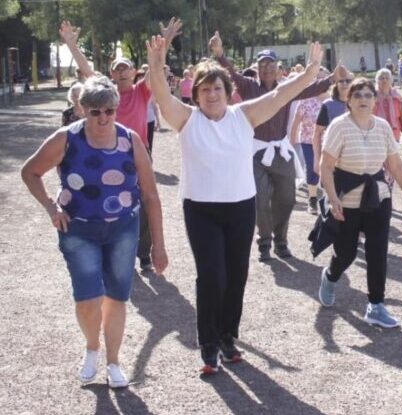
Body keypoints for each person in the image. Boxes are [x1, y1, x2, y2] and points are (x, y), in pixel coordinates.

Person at [146, 34, 325, 373]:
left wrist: (310, 72)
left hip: (241, 208)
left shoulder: (243, 116)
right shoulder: (187, 119)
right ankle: (209, 344)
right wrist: (156, 64)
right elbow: (162, 96)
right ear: (196, 94)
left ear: (228, 92)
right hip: (201, 210)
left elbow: (280, 95)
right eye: (204, 90)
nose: (211, 95)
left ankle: (228, 337)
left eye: (217, 88)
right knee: (211, 276)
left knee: (236, 276)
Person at [21, 75, 168, 388]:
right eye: (95, 112)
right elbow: (30, 172)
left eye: (109, 111)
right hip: (78, 230)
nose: (103, 118)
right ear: (82, 109)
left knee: (116, 297)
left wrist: (158, 245)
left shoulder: (130, 140)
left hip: (123, 229)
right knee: (87, 298)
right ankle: (92, 348)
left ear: (116, 109)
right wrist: (51, 207)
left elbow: (151, 195)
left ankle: (113, 362)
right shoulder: (66, 139)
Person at [209, 31, 348, 262]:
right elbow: (231, 74)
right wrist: (220, 54)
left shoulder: (285, 88)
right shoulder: (248, 86)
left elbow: (308, 89)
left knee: (287, 199)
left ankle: (281, 242)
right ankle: (264, 243)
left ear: (278, 68)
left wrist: (331, 79)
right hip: (255, 152)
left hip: (281, 152)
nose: (266, 68)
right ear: (257, 68)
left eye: (270, 64)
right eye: (262, 65)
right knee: (260, 199)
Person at [60, 18, 182, 273]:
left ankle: (144, 254)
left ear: (134, 72)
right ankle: (116, 251)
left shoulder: (141, 91)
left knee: (146, 202)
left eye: (127, 68)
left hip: (138, 153)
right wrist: (71, 45)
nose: (123, 72)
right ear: (112, 74)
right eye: (118, 69)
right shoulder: (107, 94)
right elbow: (86, 70)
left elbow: (156, 67)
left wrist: (167, 40)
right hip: (107, 154)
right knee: (113, 203)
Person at [315, 77, 402, 328]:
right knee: (346, 253)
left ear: (374, 101)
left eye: (368, 95)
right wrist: (332, 198)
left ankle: (376, 305)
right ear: (348, 101)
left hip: (377, 197)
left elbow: (395, 165)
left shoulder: (382, 127)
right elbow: (326, 166)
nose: (363, 99)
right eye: (357, 95)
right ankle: (330, 276)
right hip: (346, 201)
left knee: (377, 251)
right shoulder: (339, 127)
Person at [290, 70, 330, 215]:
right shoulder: (306, 99)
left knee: (327, 169)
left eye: (323, 79)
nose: (320, 82)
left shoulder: (331, 100)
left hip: (328, 142)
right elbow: (295, 122)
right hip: (307, 140)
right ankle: (312, 199)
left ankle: (327, 199)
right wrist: (291, 141)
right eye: (317, 79)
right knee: (312, 168)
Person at [312, 71, 354, 178]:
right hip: (333, 157)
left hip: (356, 156)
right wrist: (317, 159)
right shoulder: (328, 105)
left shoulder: (360, 104)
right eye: (341, 81)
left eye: (348, 81)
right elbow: (317, 133)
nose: (344, 84)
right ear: (336, 83)